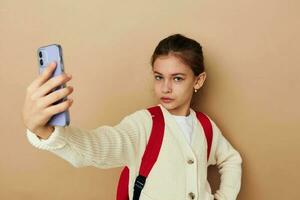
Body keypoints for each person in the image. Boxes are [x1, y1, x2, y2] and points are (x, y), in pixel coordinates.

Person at [22, 34, 242, 200]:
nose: (165, 88)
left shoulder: (206, 126)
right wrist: (44, 131)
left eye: (177, 78)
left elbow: (231, 159)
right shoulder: (144, 124)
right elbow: (97, 147)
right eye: (158, 77)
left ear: (198, 80)